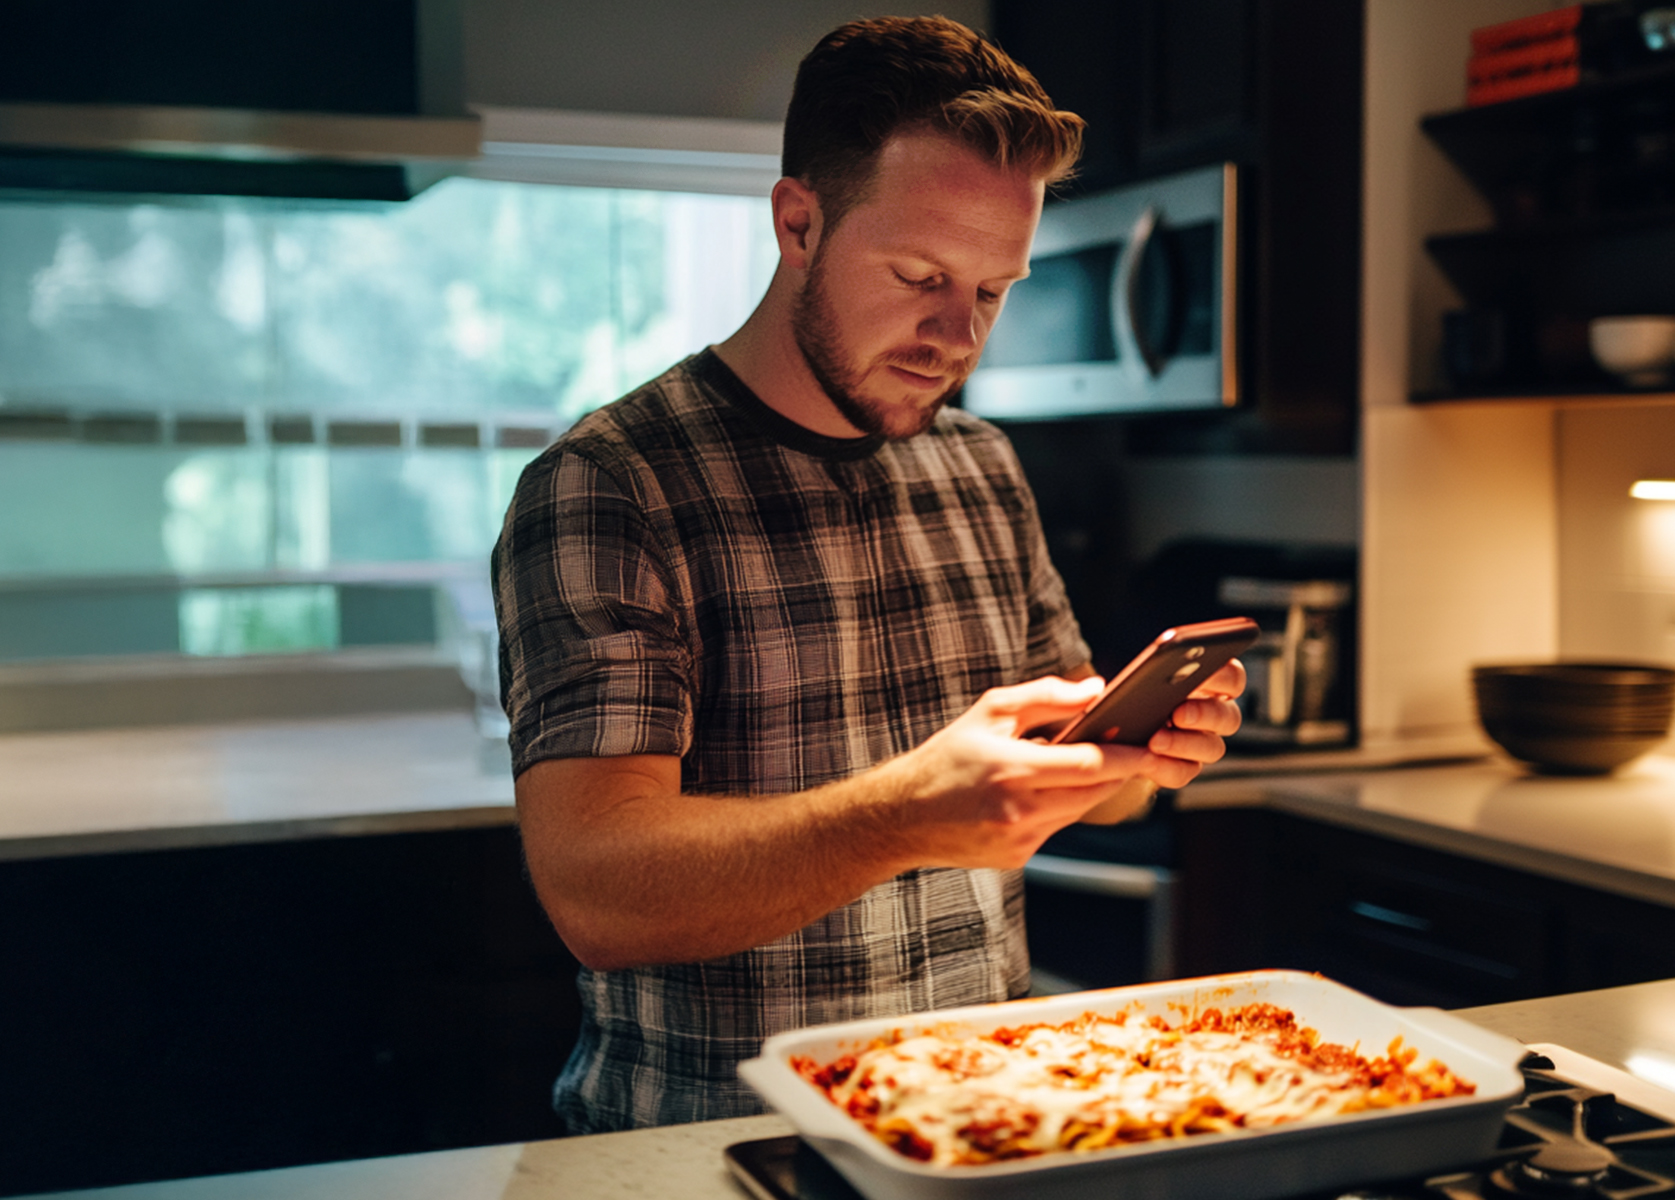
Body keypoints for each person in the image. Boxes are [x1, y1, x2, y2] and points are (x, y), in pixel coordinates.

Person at [492, 15, 1244, 1132]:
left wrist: (1134, 755)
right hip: (711, 1153)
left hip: (974, 1135)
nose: (957, 335)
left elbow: (1064, 775)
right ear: (800, 221)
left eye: (993, 290)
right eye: (921, 275)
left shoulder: (984, 464)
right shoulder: (612, 484)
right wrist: (905, 814)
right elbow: (596, 888)